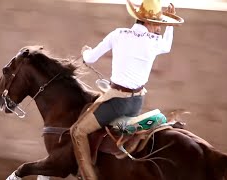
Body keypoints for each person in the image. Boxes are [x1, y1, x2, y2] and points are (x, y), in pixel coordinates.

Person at [70, 0, 184, 179]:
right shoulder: (154, 41)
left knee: (77, 131)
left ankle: (89, 177)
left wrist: (85, 53)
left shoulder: (118, 34)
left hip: (117, 103)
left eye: (161, 24)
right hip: (137, 102)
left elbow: (90, 58)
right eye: (158, 24)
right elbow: (167, 45)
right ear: (147, 22)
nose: (159, 28)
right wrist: (170, 25)